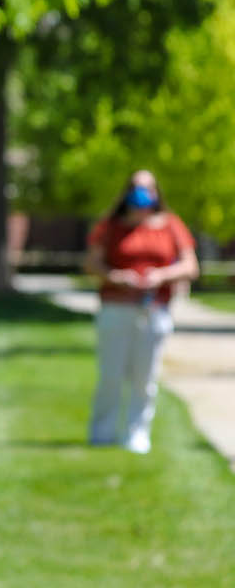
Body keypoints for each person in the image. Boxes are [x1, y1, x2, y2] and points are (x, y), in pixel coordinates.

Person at [83, 170, 198, 455]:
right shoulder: (110, 226)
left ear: (156, 193)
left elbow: (190, 266)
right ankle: (102, 432)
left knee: (144, 378)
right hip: (116, 308)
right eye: (136, 187)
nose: (141, 193)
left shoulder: (170, 225)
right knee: (110, 375)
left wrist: (160, 276)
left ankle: (137, 434)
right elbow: (91, 263)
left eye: (147, 187)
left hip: (153, 309)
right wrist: (117, 277)